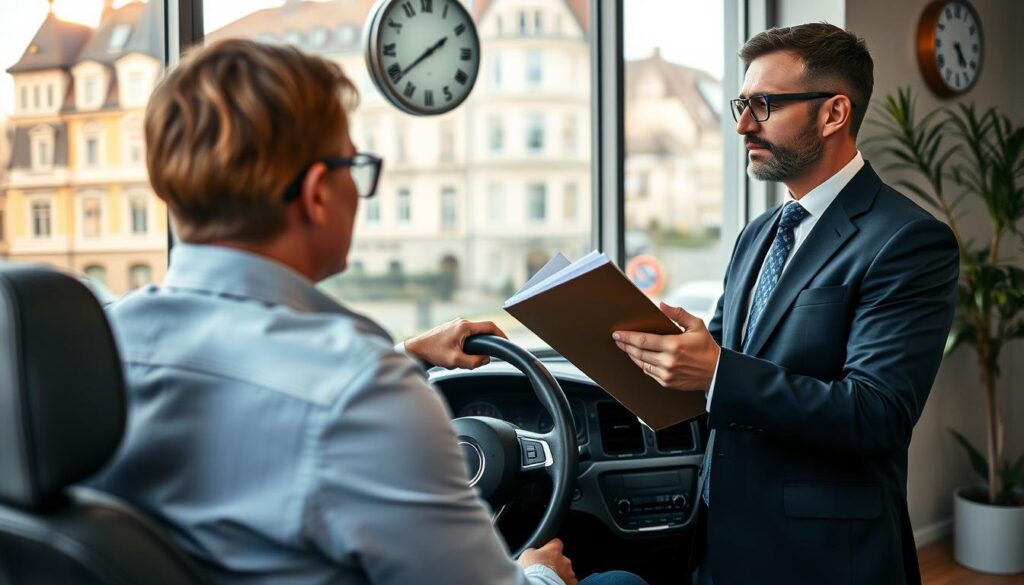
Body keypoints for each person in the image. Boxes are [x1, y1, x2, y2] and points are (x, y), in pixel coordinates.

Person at [86, 39, 645, 585]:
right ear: (317, 193)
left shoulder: (99, 343)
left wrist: (405, 356)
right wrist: (539, 574)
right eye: (354, 165)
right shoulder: (362, 392)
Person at [612, 23, 959, 585]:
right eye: (742, 105)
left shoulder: (909, 239)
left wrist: (717, 371)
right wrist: (669, 348)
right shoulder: (758, 233)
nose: (744, 125)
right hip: (720, 536)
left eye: (765, 105)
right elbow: (724, 357)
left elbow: (877, 415)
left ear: (834, 113)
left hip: (823, 555)